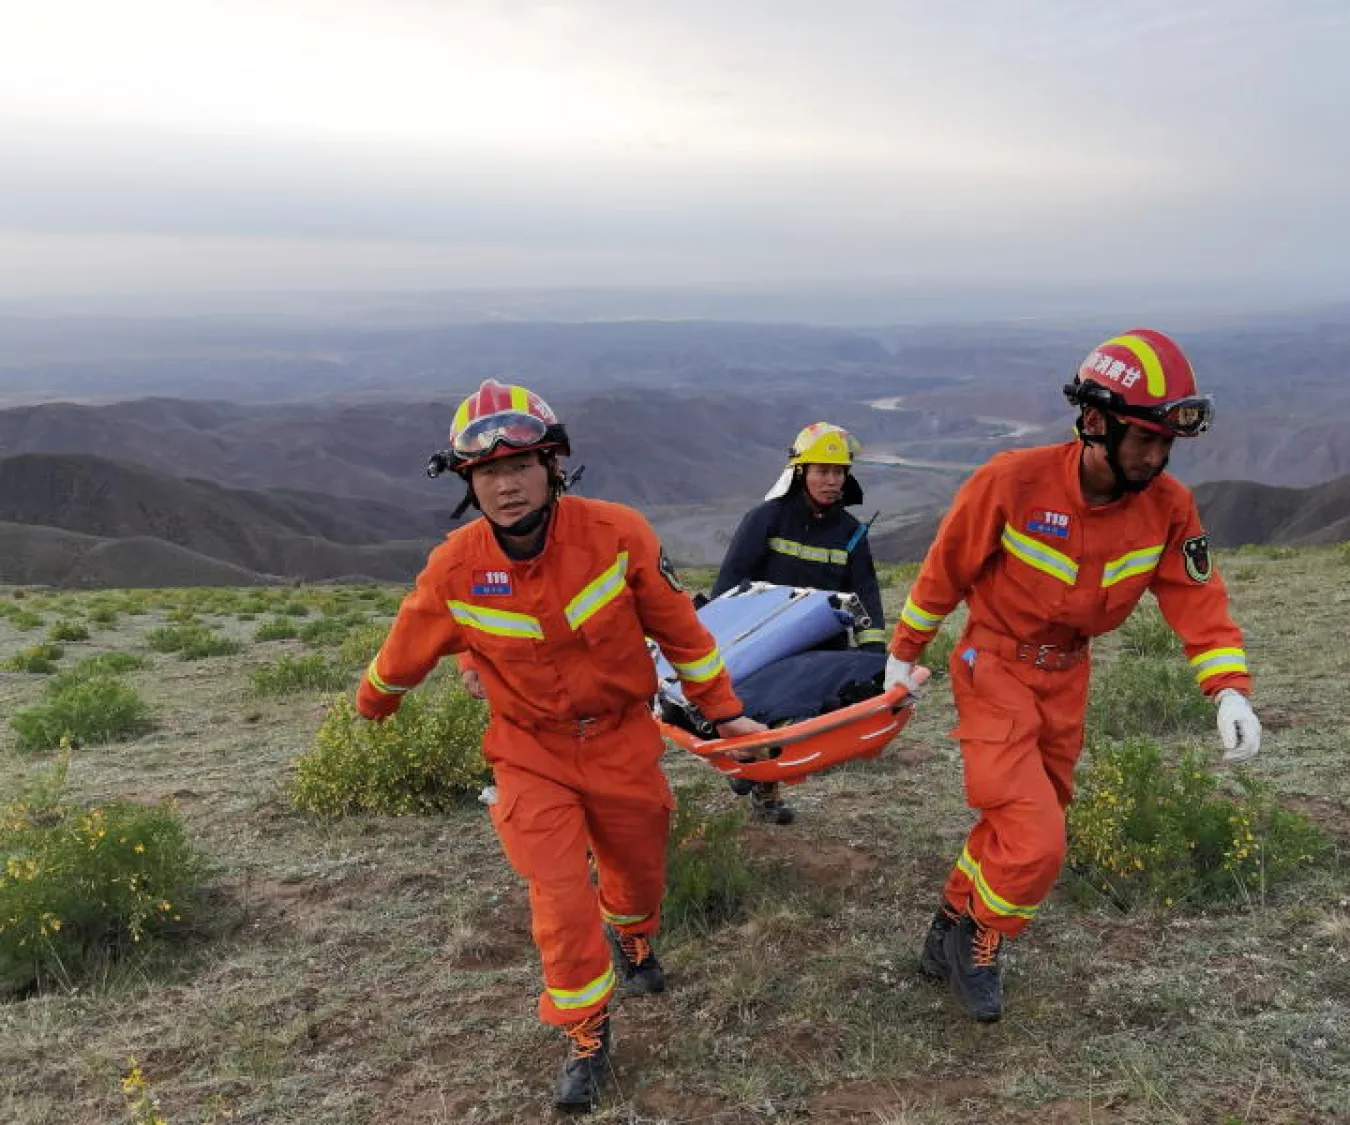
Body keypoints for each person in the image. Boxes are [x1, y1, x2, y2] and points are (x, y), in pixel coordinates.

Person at [355, 380, 765, 1111]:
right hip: (528, 753)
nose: (505, 485)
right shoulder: (455, 566)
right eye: (487, 472)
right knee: (559, 895)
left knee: (637, 872)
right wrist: (374, 701)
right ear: (468, 483)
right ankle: (585, 1031)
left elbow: (682, 632)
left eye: (520, 466)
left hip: (621, 740)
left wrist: (726, 715)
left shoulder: (618, 533)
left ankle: (633, 936)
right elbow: (406, 646)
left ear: (552, 467)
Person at [882, 329, 1262, 1023]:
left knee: (1019, 823)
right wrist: (904, 653)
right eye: (1144, 439)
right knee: (1037, 841)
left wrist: (1229, 688)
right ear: (1094, 422)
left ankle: (946, 927)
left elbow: (1197, 598)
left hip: (1067, 678)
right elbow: (945, 569)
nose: (1157, 456)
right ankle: (980, 939)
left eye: (1166, 443)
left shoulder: (1169, 505)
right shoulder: (1011, 482)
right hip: (993, 667)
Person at [709, 421, 887, 824]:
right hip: (764, 641)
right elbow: (729, 584)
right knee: (760, 713)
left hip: (821, 647)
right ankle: (753, 773)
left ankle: (761, 782)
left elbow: (866, 594)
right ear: (801, 471)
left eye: (839, 472)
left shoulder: (851, 533)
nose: (832, 481)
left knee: (791, 719)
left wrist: (874, 656)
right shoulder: (766, 519)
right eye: (823, 471)